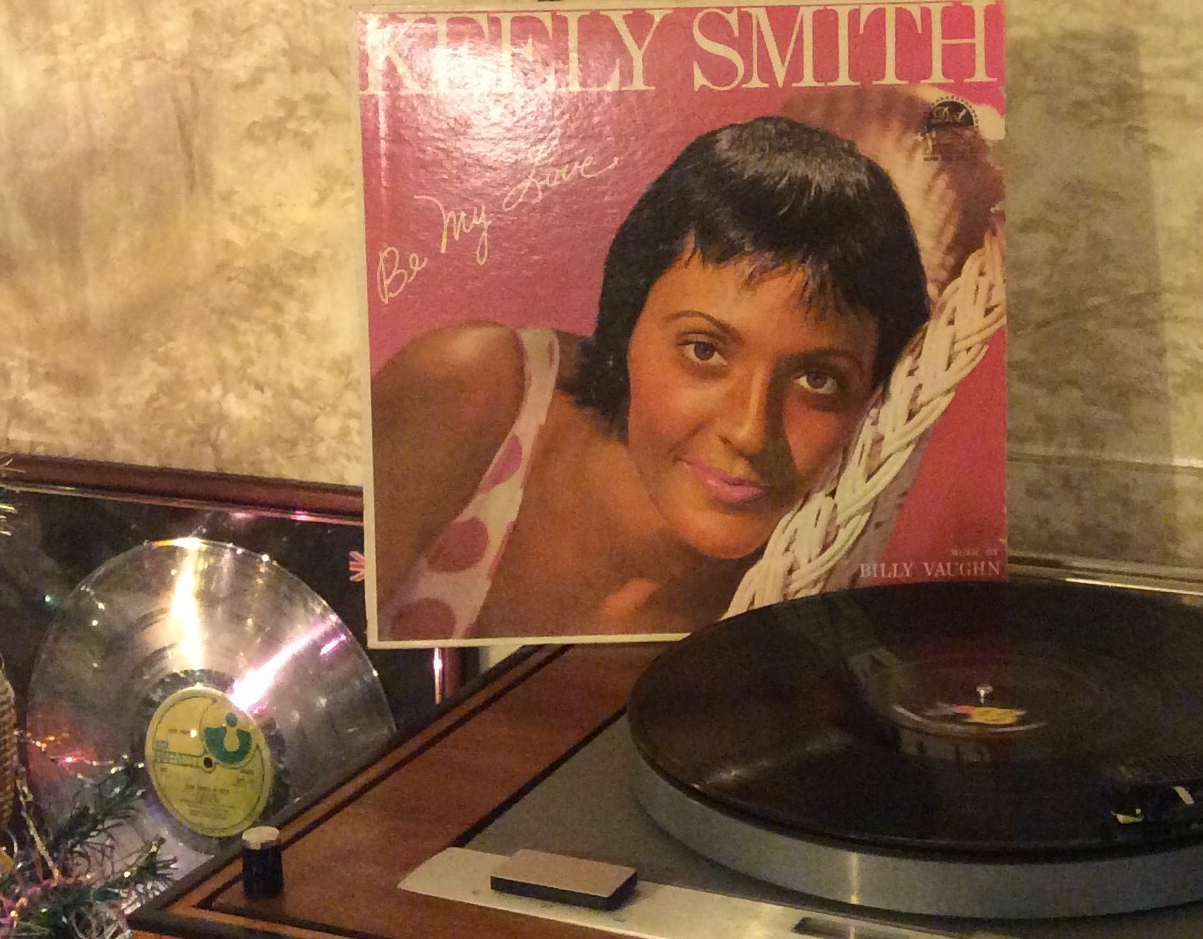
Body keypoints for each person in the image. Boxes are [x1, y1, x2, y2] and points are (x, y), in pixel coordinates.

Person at [371, 116, 931, 642]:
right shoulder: (474, 386)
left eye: (818, 380)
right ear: (627, 325)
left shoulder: (810, 578)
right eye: (704, 350)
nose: (750, 431)